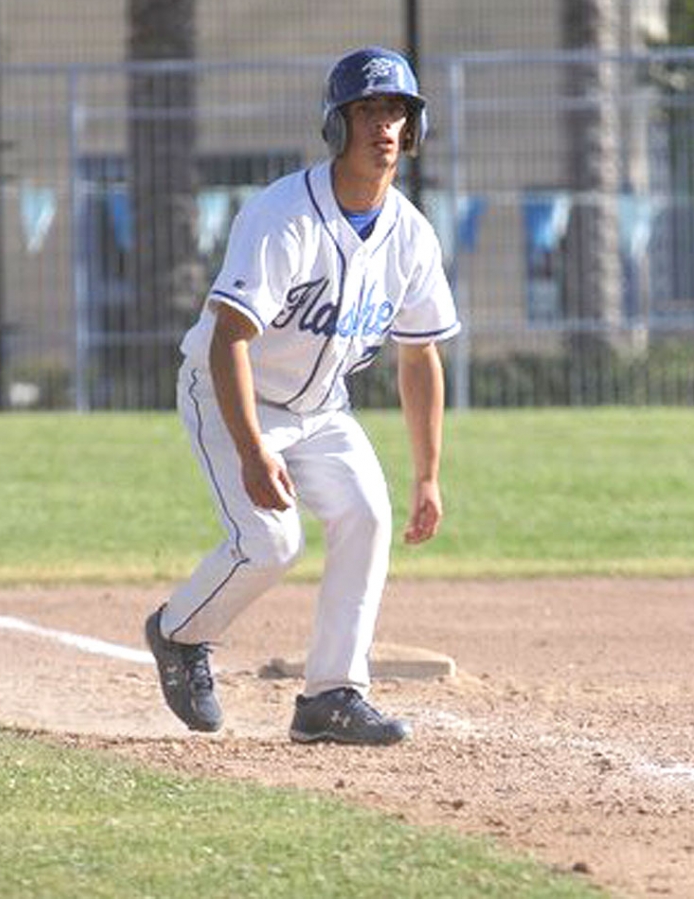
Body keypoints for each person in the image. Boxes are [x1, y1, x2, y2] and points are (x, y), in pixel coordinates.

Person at [145, 46, 460, 745]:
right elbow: (229, 338)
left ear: (414, 130)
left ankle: (331, 695)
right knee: (270, 540)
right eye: (368, 110)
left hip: (321, 409)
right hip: (233, 393)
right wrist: (254, 451)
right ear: (336, 126)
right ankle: (178, 633)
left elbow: (421, 354)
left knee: (367, 515)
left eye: (397, 111)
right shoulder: (285, 214)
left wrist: (429, 474)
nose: (384, 125)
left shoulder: (410, 234)